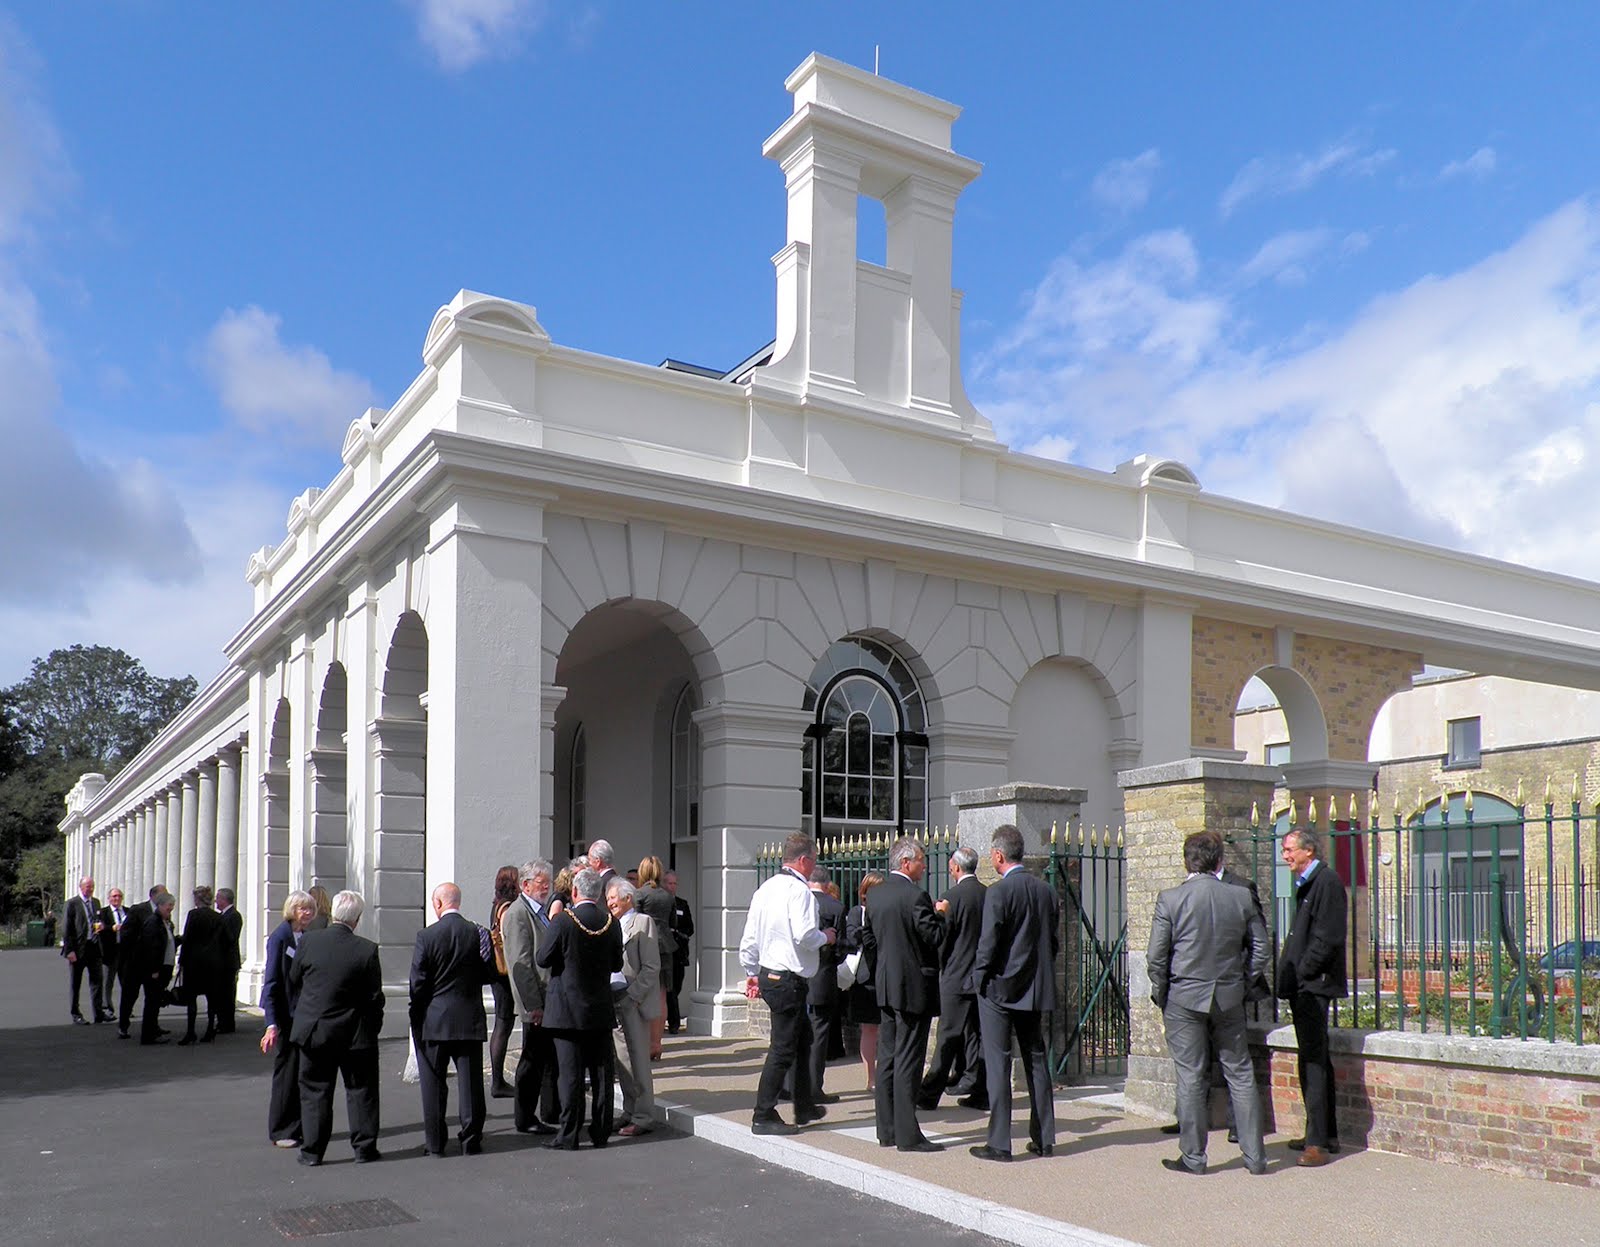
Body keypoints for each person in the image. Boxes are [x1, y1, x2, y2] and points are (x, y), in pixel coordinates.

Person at [1147, 831, 1270, 1177]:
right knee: (1240, 1073)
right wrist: (1244, 981)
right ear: (1220, 861)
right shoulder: (1240, 896)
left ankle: (1194, 1157)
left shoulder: (1171, 899)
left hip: (1184, 996)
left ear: (1187, 861)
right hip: (1228, 994)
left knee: (1190, 1075)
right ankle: (1255, 1157)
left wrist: (1162, 988)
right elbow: (1261, 949)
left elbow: (1156, 956)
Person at [969, 824, 1059, 1163]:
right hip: (1034, 987)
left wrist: (979, 978)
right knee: (1036, 1060)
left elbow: (988, 943)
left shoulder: (999, 892)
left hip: (999, 987)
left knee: (998, 1062)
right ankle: (1044, 1137)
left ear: (997, 855)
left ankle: (1000, 1142)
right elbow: (1052, 943)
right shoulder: (1046, 891)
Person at [738, 832, 836, 1137]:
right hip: (789, 978)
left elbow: (749, 939)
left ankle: (803, 1105)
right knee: (782, 1048)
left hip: (770, 973)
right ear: (805, 860)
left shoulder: (765, 889)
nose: (814, 865)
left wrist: (753, 970)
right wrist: (826, 937)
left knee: (803, 1039)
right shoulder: (800, 892)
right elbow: (805, 935)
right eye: (814, 859)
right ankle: (763, 1113)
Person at [288, 890, 385, 1166]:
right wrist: (372, 1028)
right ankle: (364, 1148)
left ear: (332, 915)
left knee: (315, 1091)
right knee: (361, 1091)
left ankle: (312, 1152)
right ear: (356, 920)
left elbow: (295, 978)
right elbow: (374, 997)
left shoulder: (309, 941)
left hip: (315, 1029)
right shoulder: (366, 950)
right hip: (355, 1033)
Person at [864, 836, 943, 1153]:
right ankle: (908, 1134)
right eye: (921, 860)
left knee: (888, 1059)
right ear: (906, 862)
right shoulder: (916, 896)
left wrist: (881, 968)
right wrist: (942, 915)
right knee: (909, 1061)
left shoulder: (876, 894)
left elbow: (868, 939)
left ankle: (886, 1130)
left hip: (885, 985)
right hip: (912, 987)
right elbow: (933, 936)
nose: (924, 865)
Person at [537, 868, 624, 1150]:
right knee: (600, 1074)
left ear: (574, 892)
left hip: (566, 1010)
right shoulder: (611, 922)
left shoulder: (563, 920)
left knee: (571, 1075)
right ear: (598, 894)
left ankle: (569, 1134)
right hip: (598, 1008)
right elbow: (616, 965)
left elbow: (543, 958)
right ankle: (600, 1132)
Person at [1277, 827, 1348, 1168]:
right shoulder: (1308, 883)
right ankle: (1323, 1132)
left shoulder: (1327, 882)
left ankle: (1318, 1141)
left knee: (1314, 1061)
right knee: (1312, 1057)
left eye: (1290, 849)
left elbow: (1327, 937)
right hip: (1305, 984)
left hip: (1314, 985)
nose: (1285, 855)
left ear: (1308, 850)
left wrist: (1303, 970)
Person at [410, 881, 494, 1157]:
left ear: (438, 904)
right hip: (468, 1015)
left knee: (433, 1083)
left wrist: (419, 1012)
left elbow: (418, 983)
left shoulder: (427, 936)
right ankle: (471, 1140)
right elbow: (488, 972)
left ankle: (435, 1143)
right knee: (470, 1083)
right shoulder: (477, 932)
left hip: (434, 1018)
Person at [920, 846, 987, 1111]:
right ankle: (981, 1090)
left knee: (947, 1037)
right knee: (978, 1036)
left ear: (957, 868)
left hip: (956, 975)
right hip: (981, 975)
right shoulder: (987, 894)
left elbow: (942, 939)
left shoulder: (950, 897)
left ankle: (928, 1094)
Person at [501, 857, 557, 1136]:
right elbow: (520, 964)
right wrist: (533, 1004)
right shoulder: (517, 914)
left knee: (542, 1058)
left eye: (548, 883)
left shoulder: (538, 911)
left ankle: (544, 1111)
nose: (546, 888)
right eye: (541, 883)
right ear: (525, 884)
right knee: (531, 1061)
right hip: (536, 1003)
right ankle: (525, 1117)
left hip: (547, 1000)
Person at [261, 890, 316, 1148]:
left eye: (311, 909)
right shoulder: (279, 938)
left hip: (302, 1015)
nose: (308, 914)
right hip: (286, 1017)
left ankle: (297, 1125)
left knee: (300, 1073)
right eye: (304, 909)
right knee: (286, 1074)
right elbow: (271, 983)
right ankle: (281, 1129)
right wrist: (271, 1024)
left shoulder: (305, 937)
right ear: (292, 910)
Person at [607, 878, 660, 1136]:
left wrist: (633, 995)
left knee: (638, 1061)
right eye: (607, 899)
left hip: (633, 1002)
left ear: (628, 897)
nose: (610, 902)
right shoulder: (612, 925)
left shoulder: (642, 922)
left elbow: (651, 967)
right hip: (615, 1000)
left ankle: (644, 1115)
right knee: (623, 1061)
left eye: (614, 897)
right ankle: (629, 1110)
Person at [801, 865, 845, 1104]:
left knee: (795, 1033)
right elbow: (842, 947)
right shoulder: (835, 907)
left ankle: (792, 1085)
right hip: (823, 976)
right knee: (818, 1037)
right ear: (828, 885)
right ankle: (813, 1087)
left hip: (798, 976)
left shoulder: (799, 902)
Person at [842, 873, 886, 1091]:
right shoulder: (857, 913)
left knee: (887, 1028)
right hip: (866, 976)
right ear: (864, 893)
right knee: (869, 1029)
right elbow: (851, 936)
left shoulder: (888, 910)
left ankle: (885, 1075)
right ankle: (871, 1078)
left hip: (886, 973)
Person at [633, 855, 674, 1060]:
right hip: (666, 947)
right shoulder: (668, 896)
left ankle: (644, 1043)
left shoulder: (638, 894)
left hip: (644, 946)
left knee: (643, 995)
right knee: (661, 996)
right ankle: (656, 1043)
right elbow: (672, 921)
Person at [177, 884, 225, 1044]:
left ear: (197, 899)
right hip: (212, 963)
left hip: (194, 962)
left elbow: (187, 939)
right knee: (212, 998)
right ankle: (210, 1029)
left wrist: (181, 961)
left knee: (191, 998)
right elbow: (221, 941)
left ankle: (191, 1031)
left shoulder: (193, 915)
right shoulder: (218, 917)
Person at [488, 864, 520, 1099]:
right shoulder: (507, 908)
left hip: (498, 973)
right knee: (503, 1022)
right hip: (504, 972)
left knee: (503, 1022)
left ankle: (498, 1080)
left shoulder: (496, 904)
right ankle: (498, 1080)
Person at [117, 885, 164, 1040]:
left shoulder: (163, 912)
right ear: (153, 896)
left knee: (153, 996)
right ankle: (123, 1026)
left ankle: (153, 1026)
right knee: (130, 995)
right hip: (136, 962)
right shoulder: (138, 910)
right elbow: (125, 933)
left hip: (153, 963)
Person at [134, 891, 179, 1045]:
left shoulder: (164, 922)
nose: (170, 911)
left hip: (163, 968)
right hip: (154, 970)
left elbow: (168, 942)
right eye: (168, 908)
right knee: (152, 1002)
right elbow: (150, 947)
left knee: (155, 1001)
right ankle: (148, 1035)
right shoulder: (153, 922)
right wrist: (153, 969)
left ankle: (153, 1030)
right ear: (159, 906)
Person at [62, 875, 107, 1025]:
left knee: (97, 981)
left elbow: (99, 920)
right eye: (88, 887)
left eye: (92, 886)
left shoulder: (96, 902)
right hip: (78, 948)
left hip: (94, 946)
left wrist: (101, 926)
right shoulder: (72, 903)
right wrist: (69, 950)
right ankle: (76, 1013)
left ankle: (98, 1012)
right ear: (81, 887)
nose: (91, 889)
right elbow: (67, 928)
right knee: (76, 982)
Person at [665, 870, 694, 1033]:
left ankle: (672, 1019)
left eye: (675, 883)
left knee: (677, 986)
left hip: (679, 952)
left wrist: (677, 932)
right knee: (669, 990)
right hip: (665, 952)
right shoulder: (661, 903)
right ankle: (674, 1022)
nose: (672, 886)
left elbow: (690, 928)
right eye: (669, 883)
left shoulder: (682, 904)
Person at [216, 887, 243, 1034]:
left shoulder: (233, 916)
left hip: (228, 962)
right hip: (223, 962)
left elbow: (231, 939)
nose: (216, 901)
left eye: (218, 898)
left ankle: (227, 1024)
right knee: (222, 993)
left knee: (227, 994)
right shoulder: (223, 915)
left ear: (224, 899)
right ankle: (222, 1021)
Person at [98, 887, 128, 1019]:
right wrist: (112, 928)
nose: (117, 899)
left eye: (119, 896)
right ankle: (107, 1008)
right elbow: (99, 928)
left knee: (127, 981)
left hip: (125, 951)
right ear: (109, 898)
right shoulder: (103, 912)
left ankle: (127, 1008)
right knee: (107, 982)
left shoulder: (127, 911)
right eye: (114, 896)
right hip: (109, 950)